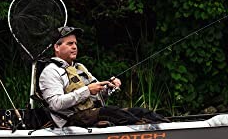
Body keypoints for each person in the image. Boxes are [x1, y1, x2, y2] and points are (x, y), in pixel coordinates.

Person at [37, 26, 168, 128]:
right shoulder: (50, 72)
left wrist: (107, 88)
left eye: (75, 43)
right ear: (57, 47)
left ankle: (167, 126)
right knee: (112, 112)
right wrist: (88, 90)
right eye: (69, 44)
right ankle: (149, 132)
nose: (74, 47)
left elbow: (96, 93)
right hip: (71, 119)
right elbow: (55, 104)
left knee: (139, 111)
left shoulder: (79, 68)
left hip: (92, 113)